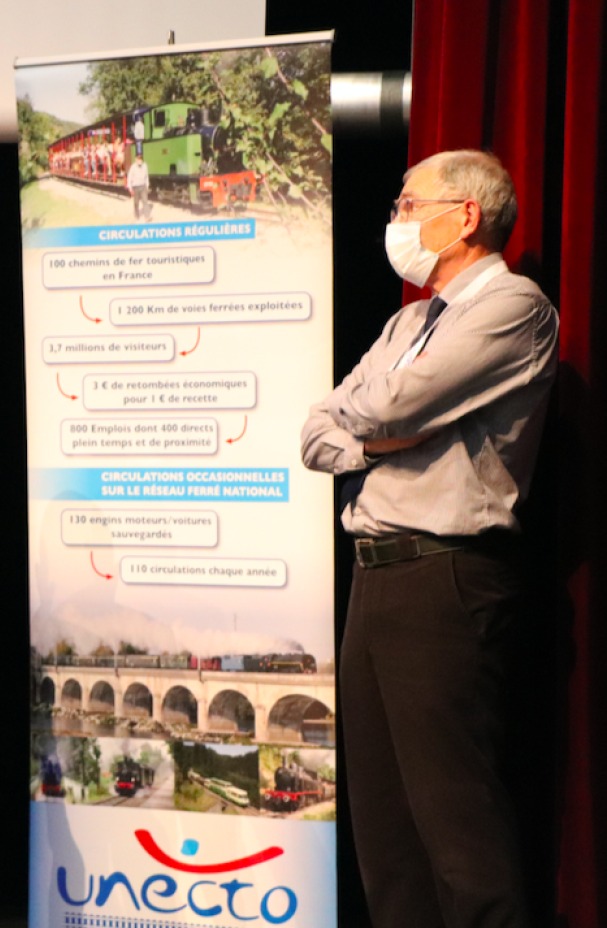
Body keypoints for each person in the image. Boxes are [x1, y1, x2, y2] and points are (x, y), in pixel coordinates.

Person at [301, 150, 557, 928]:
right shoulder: (410, 318)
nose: (397, 222)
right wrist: (374, 433)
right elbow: (318, 431)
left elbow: (386, 409)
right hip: (374, 574)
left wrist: (372, 431)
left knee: (454, 821)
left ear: (465, 216)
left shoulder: (511, 305)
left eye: (408, 206)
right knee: (384, 828)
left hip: (444, 578)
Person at [126, 155, 150, 222]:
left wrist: (147, 185)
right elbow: (129, 177)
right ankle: (136, 216)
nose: (139, 160)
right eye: (138, 159)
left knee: (145, 201)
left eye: (140, 159)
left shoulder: (145, 166)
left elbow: (146, 176)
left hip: (143, 186)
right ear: (136, 159)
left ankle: (147, 217)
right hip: (135, 187)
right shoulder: (133, 167)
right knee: (136, 202)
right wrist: (130, 188)